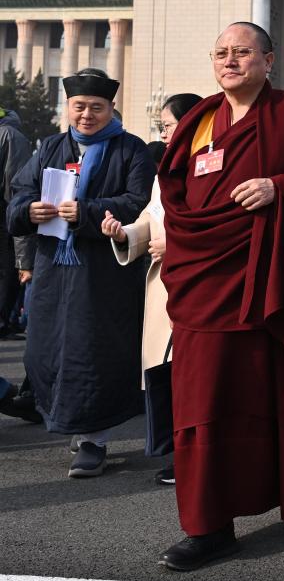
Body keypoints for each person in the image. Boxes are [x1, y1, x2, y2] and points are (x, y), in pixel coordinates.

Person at [157, 22, 284, 571]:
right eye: (221, 53)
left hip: (266, 286)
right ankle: (208, 525)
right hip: (202, 282)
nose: (230, 61)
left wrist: (281, 188)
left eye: (242, 52)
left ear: (269, 59)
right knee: (202, 406)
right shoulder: (198, 121)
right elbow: (171, 190)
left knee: (271, 398)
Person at [6, 68, 156, 477]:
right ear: (68, 107)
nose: (86, 114)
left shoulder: (131, 149)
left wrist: (88, 212)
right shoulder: (52, 147)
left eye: (96, 107)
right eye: (79, 106)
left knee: (97, 352)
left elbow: (139, 202)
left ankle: (95, 439)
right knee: (46, 349)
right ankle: (68, 418)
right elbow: (21, 193)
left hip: (104, 272)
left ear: (111, 108)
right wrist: (28, 211)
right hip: (53, 268)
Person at [101, 93, 202, 486]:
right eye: (162, 126)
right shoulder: (168, 171)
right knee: (168, 376)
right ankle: (178, 455)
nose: (164, 132)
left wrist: (176, 245)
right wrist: (124, 233)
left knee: (194, 376)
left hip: (198, 287)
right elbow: (150, 217)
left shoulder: (214, 166)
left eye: (169, 125)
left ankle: (198, 458)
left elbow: (222, 226)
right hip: (163, 288)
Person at [0, 107, 33, 339]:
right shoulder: (12, 135)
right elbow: (17, 191)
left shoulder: (10, 136)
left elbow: (17, 189)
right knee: (6, 270)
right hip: (4, 218)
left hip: (4, 216)